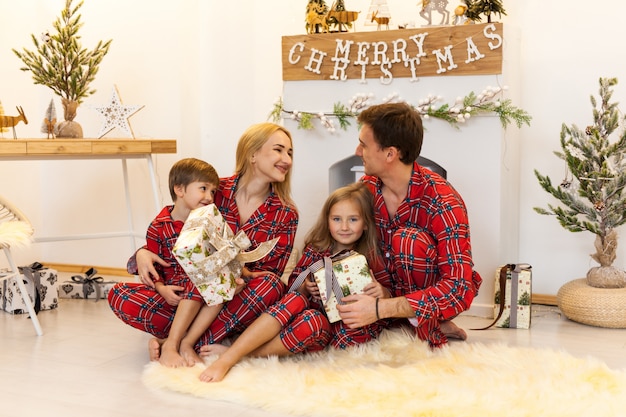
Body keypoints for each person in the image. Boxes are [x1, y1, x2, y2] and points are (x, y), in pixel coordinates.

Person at [108, 123, 299, 365]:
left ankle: (176, 342)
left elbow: (271, 273)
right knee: (120, 294)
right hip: (186, 292)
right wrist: (142, 253)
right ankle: (199, 340)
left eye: (290, 153)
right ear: (252, 153)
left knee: (270, 286)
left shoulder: (286, 214)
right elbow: (173, 227)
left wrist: (237, 282)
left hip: (235, 301)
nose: (287, 160)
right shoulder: (212, 190)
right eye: (279, 150)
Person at [198, 182, 387, 382]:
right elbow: (291, 288)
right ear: (327, 220)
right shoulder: (316, 250)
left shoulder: (372, 257)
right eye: (337, 219)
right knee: (298, 303)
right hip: (307, 321)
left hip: (342, 333)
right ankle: (229, 357)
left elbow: (388, 297)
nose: (344, 227)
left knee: (311, 321)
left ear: (366, 223)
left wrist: (383, 292)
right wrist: (305, 287)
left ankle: (239, 354)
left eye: (353, 219)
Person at [336, 102, 483, 348]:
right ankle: (413, 323)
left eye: (363, 144)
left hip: (420, 296)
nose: (358, 151)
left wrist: (381, 308)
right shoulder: (367, 188)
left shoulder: (443, 201)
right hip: (381, 292)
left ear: (390, 154)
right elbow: (334, 231)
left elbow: (458, 287)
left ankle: (424, 320)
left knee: (407, 240)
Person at [108, 158, 221, 367]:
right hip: (172, 299)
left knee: (207, 278)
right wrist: (161, 289)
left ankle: (173, 343)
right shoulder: (158, 227)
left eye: (213, 192)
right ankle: (183, 338)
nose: (209, 197)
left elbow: (219, 262)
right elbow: (154, 268)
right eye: (203, 189)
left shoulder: (210, 223)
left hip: (204, 298)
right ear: (179, 189)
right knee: (118, 293)